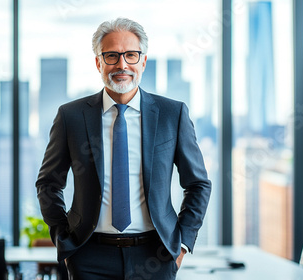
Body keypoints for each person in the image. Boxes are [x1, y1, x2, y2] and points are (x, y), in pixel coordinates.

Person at [36, 17, 211, 279]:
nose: (122, 65)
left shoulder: (171, 114)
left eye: (131, 55)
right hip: (89, 257)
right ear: (98, 62)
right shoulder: (70, 117)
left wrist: (182, 244)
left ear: (143, 61)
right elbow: (48, 184)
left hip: (156, 255)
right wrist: (65, 240)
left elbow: (198, 184)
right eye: (111, 56)